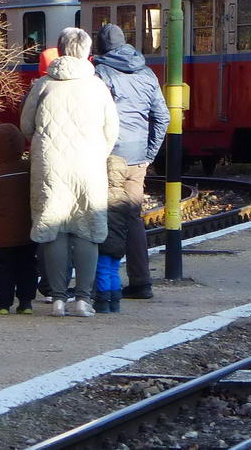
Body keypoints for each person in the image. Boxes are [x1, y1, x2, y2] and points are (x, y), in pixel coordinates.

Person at [21, 27, 118, 317]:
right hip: (88, 165)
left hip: (50, 166)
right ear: (88, 53)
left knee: (53, 229)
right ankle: (83, 300)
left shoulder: (43, 85)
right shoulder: (97, 86)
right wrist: (96, 152)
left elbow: (26, 126)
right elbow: (111, 131)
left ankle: (59, 300)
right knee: (87, 231)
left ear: (60, 51)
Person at [92, 23, 169, 300]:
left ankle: (98, 283)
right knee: (133, 218)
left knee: (100, 214)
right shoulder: (147, 73)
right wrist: (149, 153)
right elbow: (163, 117)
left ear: (100, 47)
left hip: (108, 155)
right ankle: (141, 281)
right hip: (137, 157)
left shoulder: (100, 73)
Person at [0, 123, 37, 315]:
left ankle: (3, 305)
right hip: (29, 231)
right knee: (28, 266)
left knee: (4, 269)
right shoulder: (29, 169)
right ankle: (26, 302)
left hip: (3, 235)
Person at [95, 155, 140, 313]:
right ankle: (115, 301)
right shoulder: (125, 198)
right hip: (119, 242)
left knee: (102, 271)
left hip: (103, 241)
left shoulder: (100, 195)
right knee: (113, 271)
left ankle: (102, 301)